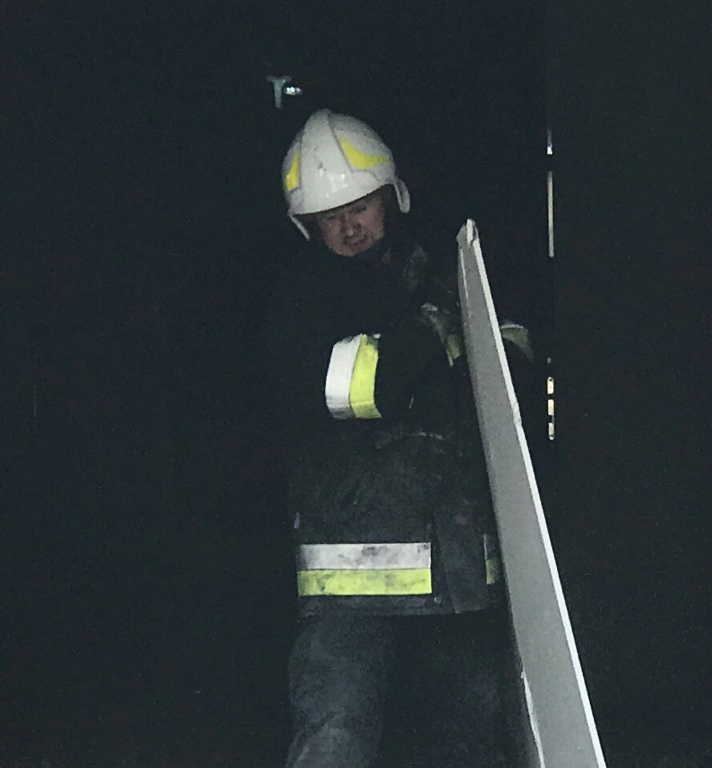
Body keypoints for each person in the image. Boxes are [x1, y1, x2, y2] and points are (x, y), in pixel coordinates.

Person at [264, 108, 536, 768]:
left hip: (458, 580)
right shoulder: (302, 302)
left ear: (392, 197)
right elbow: (366, 389)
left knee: (466, 747)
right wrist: (432, 333)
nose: (349, 227)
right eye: (330, 218)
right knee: (335, 737)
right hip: (349, 590)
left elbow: (511, 382)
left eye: (360, 207)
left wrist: (456, 335)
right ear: (307, 228)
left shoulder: (451, 274)